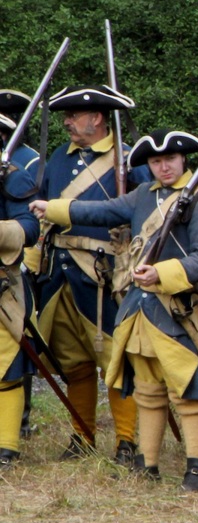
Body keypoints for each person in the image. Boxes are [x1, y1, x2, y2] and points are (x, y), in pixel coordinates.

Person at [33, 129, 198, 489]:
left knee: (187, 390)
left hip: (178, 307)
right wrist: (53, 208)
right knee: (148, 389)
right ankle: (146, 463)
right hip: (140, 306)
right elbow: (104, 211)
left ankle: (197, 467)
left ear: (184, 160)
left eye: (169, 159)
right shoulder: (142, 195)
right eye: (155, 161)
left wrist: (161, 273)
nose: (163, 167)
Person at [36, 84, 148, 462]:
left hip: (103, 275)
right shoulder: (57, 158)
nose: (67, 122)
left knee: (117, 360)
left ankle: (126, 441)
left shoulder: (128, 161)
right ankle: (82, 437)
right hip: (59, 274)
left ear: (97, 118)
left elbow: (148, 210)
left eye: (74, 116)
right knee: (74, 363)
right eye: (65, 116)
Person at [0, 142, 40, 469]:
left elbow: (30, 229)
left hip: (3, 285)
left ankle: (7, 447)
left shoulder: (13, 178)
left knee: (6, 370)